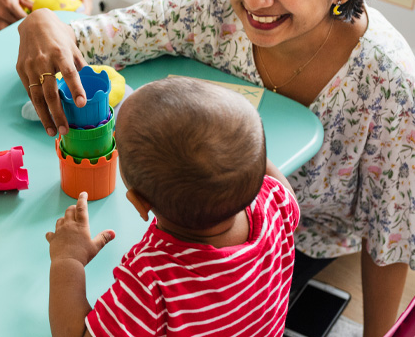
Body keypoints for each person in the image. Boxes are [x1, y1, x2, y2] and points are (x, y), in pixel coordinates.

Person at [19, 0, 415, 337]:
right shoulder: (207, 9)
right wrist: (43, 23)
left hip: (302, 239)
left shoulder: (390, 82)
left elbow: (392, 233)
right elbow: (92, 39)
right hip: (209, 217)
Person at [47, 77, 299, 336]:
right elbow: (268, 175)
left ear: (140, 203)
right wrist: (235, 147)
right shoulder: (276, 202)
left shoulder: (151, 283)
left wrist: (68, 260)